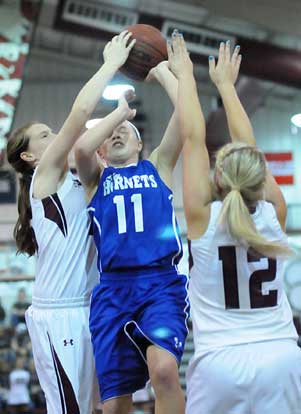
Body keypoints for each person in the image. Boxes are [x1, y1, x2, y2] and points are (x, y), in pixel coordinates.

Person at [6, 30, 136, 414]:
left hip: (92, 307)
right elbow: (79, 117)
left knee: (104, 407)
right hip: (59, 314)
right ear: (30, 157)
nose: (55, 136)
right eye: (45, 135)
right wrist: (111, 67)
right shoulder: (44, 177)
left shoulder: (82, 174)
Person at [170, 36, 301, 413]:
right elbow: (249, 143)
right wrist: (227, 86)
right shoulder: (275, 211)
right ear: (258, 177)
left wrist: (185, 80)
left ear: (217, 181)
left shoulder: (201, 218)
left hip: (220, 363)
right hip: (281, 358)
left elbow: (193, 139)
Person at [74, 31, 189, 414]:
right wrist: (117, 113)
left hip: (159, 283)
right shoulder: (95, 179)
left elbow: (187, 119)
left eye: (129, 130)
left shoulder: (159, 166)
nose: (120, 131)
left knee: (165, 371)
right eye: (112, 134)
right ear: (104, 148)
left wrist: (162, 71)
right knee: (115, 401)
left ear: (141, 145)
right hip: (113, 290)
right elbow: (81, 148)